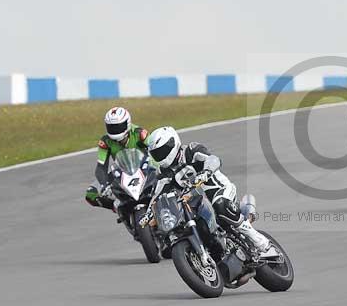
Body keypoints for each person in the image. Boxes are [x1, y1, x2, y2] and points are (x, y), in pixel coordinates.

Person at [144, 126, 276, 259]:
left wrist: (206, 172)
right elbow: (157, 194)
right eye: (156, 153)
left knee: (220, 205)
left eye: (162, 151)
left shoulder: (190, 150)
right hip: (194, 200)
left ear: (172, 144)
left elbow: (213, 159)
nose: (160, 156)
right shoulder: (163, 172)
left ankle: (263, 245)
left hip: (218, 188)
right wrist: (150, 211)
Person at [84, 107, 149, 210]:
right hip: (121, 171)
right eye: (111, 127)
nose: (115, 130)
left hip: (144, 168)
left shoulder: (139, 133)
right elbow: (101, 166)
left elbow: (154, 151)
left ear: (127, 123)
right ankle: (118, 207)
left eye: (118, 126)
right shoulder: (105, 141)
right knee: (90, 194)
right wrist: (104, 185)